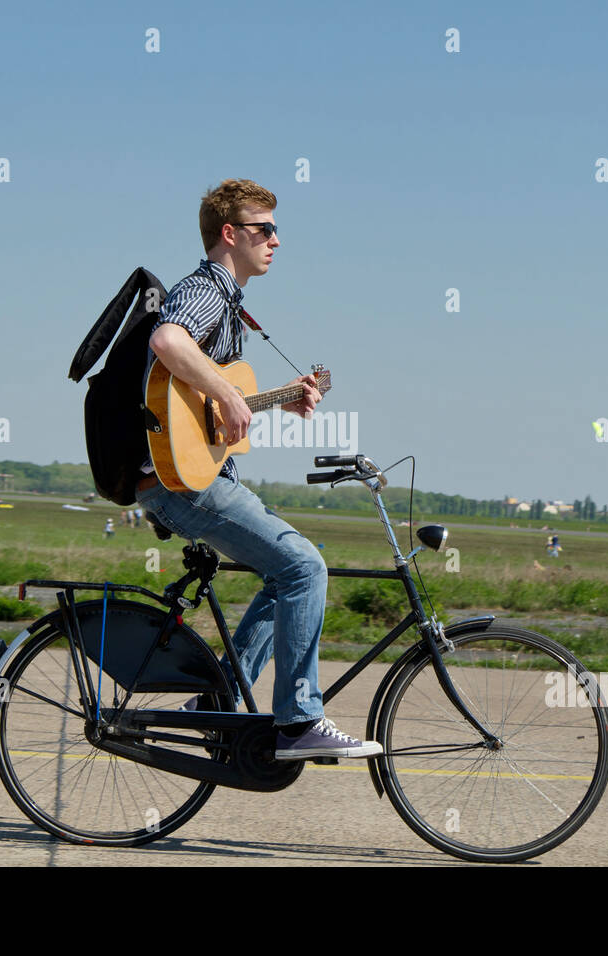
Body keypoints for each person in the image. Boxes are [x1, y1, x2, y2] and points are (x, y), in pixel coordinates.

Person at [132, 179, 380, 760]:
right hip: (183, 485)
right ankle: (299, 722)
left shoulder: (229, 304)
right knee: (304, 567)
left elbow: (209, 413)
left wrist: (271, 399)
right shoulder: (208, 290)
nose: (275, 240)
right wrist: (226, 390)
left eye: (276, 230)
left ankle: (218, 701)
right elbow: (168, 339)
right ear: (229, 235)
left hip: (192, 477)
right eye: (263, 229)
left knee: (286, 574)